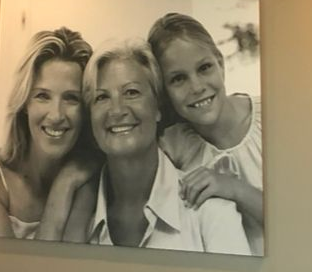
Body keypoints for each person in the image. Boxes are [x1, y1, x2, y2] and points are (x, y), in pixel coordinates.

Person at [71, 39, 250, 254]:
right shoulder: (75, 217)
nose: (116, 111)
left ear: (158, 107)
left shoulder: (211, 212)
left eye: (131, 92)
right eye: (101, 97)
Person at [148, 11, 263, 255]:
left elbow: (307, 221)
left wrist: (234, 188)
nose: (197, 87)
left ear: (220, 64)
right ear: (163, 91)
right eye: (178, 79)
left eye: (204, 68)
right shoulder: (172, 145)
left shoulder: (273, 119)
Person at [0, 27, 98, 240]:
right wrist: (64, 185)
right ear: (25, 102)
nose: (56, 115)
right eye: (42, 96)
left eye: (71, 98)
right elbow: (15, 271)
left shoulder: (89, 173)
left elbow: (66, 267)